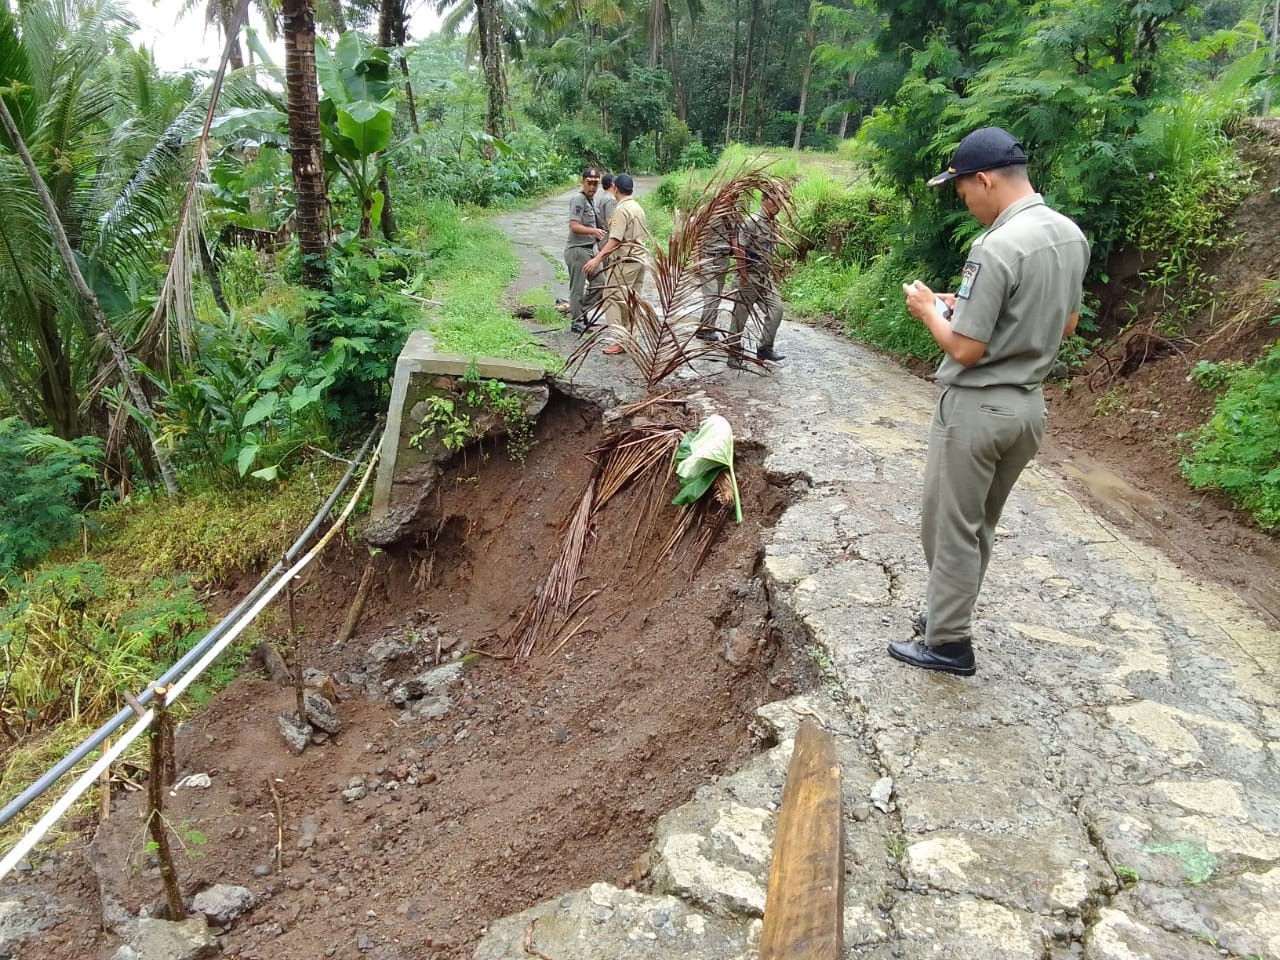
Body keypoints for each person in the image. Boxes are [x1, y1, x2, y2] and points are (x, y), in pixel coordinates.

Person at [888, 126, 1090, 677]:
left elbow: (967, 347)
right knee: (980, 524)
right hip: (1027, 410)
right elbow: (1064, 324)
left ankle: (948, 643)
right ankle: (942, 617)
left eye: (963, 192)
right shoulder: (1069, 235)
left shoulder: (995, 245)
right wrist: (966, 304)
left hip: (978, 409)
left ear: (983, 180)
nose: (967, 203)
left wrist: (930, 309)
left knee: (949, 525)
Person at [584, 173, 648, 356]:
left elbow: (615, 240)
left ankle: (618, 340)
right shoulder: (637, 207)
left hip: (625, 262)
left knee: (611, 296)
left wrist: (597, 258)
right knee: (632, 300)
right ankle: (631, 339)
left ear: (615, 188)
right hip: (639, 259)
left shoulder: (622, 209)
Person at [727, 190, 786, 364]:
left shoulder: (775, 223)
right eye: (773, 201)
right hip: (748, 276)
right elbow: (739, 249)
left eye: (780, 203)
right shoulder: (751, 222)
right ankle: (733, 354)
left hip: (764, 277)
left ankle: (765, 349)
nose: (777, 206)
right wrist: (743, 275)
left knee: (777, 310)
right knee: (740, 317)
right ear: (764, 201)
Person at [564, 167, 606, 333]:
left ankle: (582, 312)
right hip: (577, 250)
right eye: (589, 183)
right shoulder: (578, 199)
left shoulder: (592, 200)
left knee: (600, 283)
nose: (593, 187)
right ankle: (577, 322)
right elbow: (574, 226)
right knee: (578, 288)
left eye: (596, 183)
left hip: (590, 250)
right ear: (582, 182)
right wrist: (593, 231)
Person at [695, 204, 739, 341]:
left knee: (717, 295)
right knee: (712, 295)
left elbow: (734, 240)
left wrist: (740, 261)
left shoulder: (735, 214)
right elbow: (696, 234)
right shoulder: (707, 210)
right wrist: (696, 259)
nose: (733, 199)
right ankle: (707, 328)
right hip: (707, 257)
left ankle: (704, 327)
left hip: (723, 258)